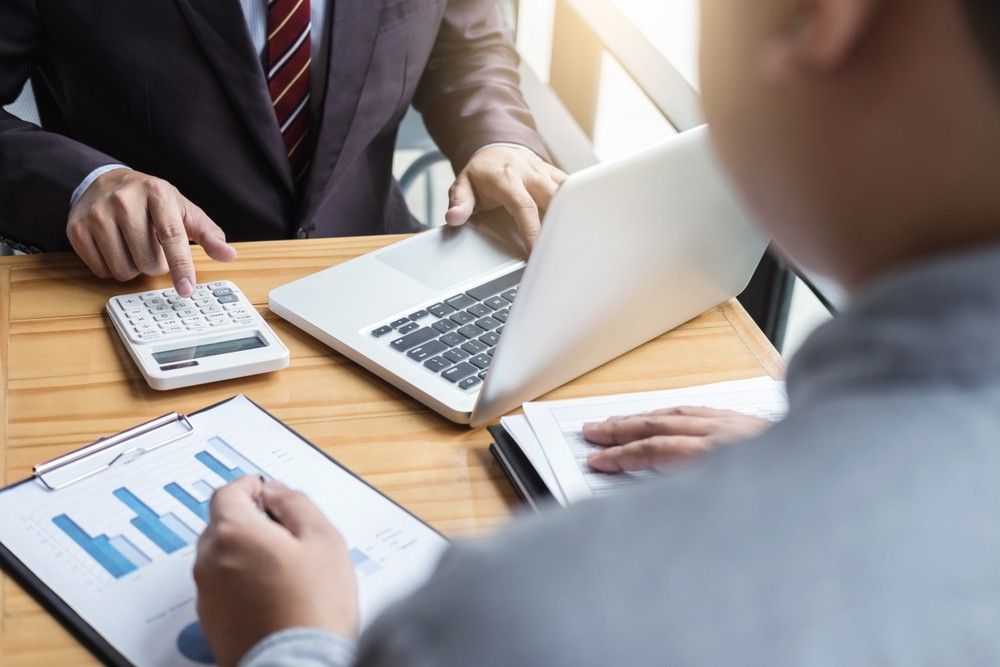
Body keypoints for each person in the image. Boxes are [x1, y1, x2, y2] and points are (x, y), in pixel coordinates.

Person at [194, 0, 1000, 664]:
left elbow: (464, 34)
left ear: (823, 17)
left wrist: (288, 642)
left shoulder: (506, 624)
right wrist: (816, 453)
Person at [0, 1, 563, 296]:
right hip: (156, 289)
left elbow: (466, 52)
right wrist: (79, 182)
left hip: (378, 270)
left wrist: (499, 138)